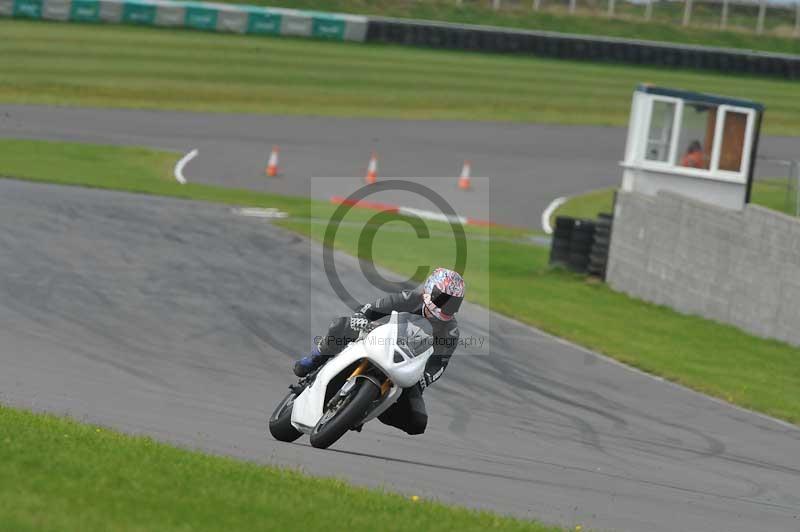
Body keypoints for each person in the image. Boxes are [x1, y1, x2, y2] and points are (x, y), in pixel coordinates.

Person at [293, 267, 465, 435]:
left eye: (453, 303)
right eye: (443, 299)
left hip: (408, 365)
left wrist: (425, 379)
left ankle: (366, 409)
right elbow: (374, 308)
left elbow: (439, 365)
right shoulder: (411, 298)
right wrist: (362, 317)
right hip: (381, 339)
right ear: (429, 290)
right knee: (341, 325)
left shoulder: (451, 331)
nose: (446, 306)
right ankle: (315, 359)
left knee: (418, 423)